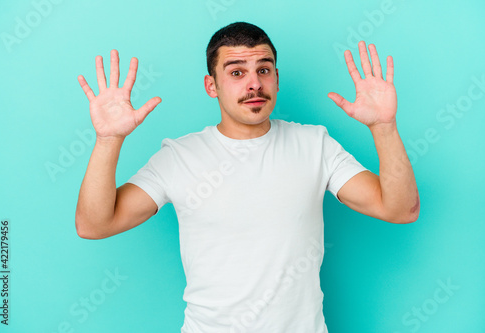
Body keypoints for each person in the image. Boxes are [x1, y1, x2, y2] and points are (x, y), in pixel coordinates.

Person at [75, 22, 419, 333]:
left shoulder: (315, 145)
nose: (254, 83)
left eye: (263, 70)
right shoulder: (178, 157)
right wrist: (109, 140)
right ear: (212, 85)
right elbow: (94, 225)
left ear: (277, 78)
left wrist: (384, 127)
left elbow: (400, 210)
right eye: (237, 72)